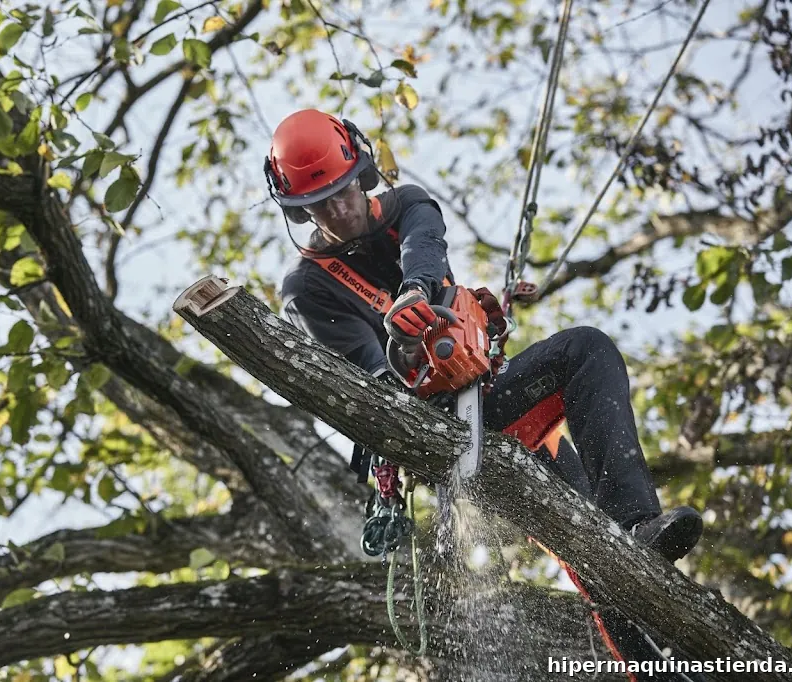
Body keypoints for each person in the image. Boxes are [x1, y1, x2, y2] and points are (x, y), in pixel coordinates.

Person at [265, 108, 707, 678]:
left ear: (361, 172)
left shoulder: (406, 206)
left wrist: (417, 293)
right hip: (439, 437)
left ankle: (637, 536)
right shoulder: (309, 289)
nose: (337, 209)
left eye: (342, 191)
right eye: (318, 204)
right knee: (580, 549)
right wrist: (403, 357)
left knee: (587, 356)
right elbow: (365, 388)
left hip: (498, 399)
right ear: (299, 210)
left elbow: (424, 245)